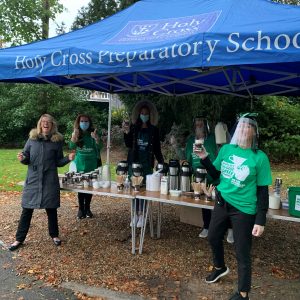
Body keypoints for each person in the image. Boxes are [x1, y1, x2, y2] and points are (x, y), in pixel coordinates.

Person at [194, 113, 272, 300]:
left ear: (254, 132)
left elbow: (262, 191)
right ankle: (220, 267)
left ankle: (243, 293)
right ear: (236, 130)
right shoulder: (227, 150)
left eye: (249, 127)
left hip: (244, 209)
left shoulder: (259, 158)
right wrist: (205, 157)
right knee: (213, 237)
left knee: (242, 251)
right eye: (242, 126)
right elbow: (216, 176)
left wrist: (260, 220)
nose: (244, 129)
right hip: (222, 202)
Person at [8, 114, 75, 251]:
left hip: (49, 179)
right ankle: (18, 239)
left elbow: (58, 162)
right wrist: (22, 158)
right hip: (33, 179)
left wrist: (68, 158)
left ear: (52, 125)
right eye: (43, 121)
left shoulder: (56, 142)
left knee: (51, 209)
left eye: (48, 122)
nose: (46, 124)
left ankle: (54, 235)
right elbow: (26, 156)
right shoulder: (32, 139)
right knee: (27, 209)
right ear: (40, 124)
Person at [185, 116, 233, 242]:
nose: (199, 125)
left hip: (215, 173)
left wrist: (225, 131)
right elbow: (187, 158)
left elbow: (225, 144)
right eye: (197, 123)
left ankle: (230, 229)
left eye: (201, 122)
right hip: (200, 175)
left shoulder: (213, 138)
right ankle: (206, 226)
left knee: (223, 201)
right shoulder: (191, 140)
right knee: (205, 202)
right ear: (194, 126)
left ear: (206, 125)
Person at [123, 100, 164, 228]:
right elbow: (129, 144)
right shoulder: (134, 128)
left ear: (150, 115)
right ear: (138, 114)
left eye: (146, 113)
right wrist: (126, 133)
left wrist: (162, 163)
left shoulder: (154, 130)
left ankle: (142, 214)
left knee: (145, 190)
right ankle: (135, 214)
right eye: (142, 113)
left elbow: (157, 148)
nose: (144, 115)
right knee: (135, 189)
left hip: (147, 163)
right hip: (134, 163)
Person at [69, 114, 103, 219]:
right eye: (82, 121)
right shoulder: (77, 133)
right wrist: (74, 137)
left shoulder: (94, 133)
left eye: (86, 121)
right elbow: (71, 146)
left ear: (90, 122)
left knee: (89, 188)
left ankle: (87, 208)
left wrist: (96, 138)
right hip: (80, 164)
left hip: (92, 164)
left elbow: (100, 147)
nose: (84, 123)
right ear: (78, 123)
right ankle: (80, 209)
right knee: (81, 188)